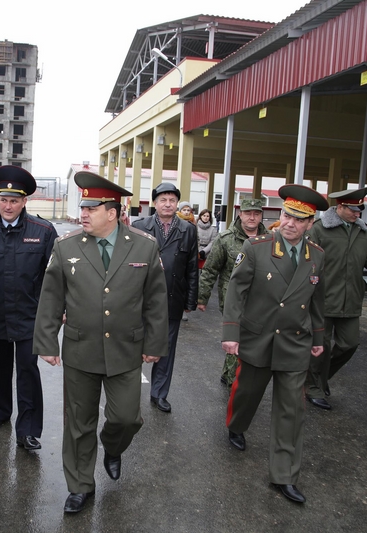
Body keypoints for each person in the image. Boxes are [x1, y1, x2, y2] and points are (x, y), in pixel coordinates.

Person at [34, 171, 169, 514]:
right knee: (79, 423)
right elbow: (51, 298)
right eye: (83, 207)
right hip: (81, 349)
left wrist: (155, 343)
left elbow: (155, 301)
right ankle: (80, 485)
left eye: (91, 208)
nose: (83, 214)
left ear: (112, 212)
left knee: (126, 418)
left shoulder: (144, 245)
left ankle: (112, 447)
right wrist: (47, 341)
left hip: (127, 349)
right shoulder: (66, 246)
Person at [222, 184, 328, 504]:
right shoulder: (257, 247)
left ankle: (284, 475)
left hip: (295, 342)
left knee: (291, 411)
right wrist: (231, 333)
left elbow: (317, 300)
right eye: (287, 215)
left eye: (299, 219)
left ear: (310, 223)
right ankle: (236, 426)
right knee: (247, 394)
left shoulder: (317, 256)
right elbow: (236, 290)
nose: (291, 223)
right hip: (258, 337)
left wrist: (318, 338)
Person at [0, 166, 56, 450]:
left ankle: (28, 429)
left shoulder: (43, 231)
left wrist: (56, 311)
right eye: (4, 199)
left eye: (15, 200)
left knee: (28, 373)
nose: (9, 206)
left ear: (24, 202)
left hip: (29, 316)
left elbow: (55, 276)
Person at [304, 187, 367, 410]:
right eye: (353, 209)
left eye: (360, 209)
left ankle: (321, 379)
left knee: (350, 344)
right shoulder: (320, 230)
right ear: (340, 207)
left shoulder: (363, 232)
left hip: (351, 299)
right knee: (320, 347)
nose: (357, 213)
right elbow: (307, 261)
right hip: (323, 299)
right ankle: (313, 388)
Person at [131, 183, 198, 412]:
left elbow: (192, 267)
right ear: (155, 203)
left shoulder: (188, 230)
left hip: (173, 297)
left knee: (166, 349)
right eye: (163, 200)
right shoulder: (140, 226)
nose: (167, 204)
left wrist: (191, 300)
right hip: (142, 298)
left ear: (177, 203)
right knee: (135, 344)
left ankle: (159, 394)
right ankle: (128, 392)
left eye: (172, 200)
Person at [197, 199, 267, 387]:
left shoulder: (270, 239)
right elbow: (210, 269)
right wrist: (202, 297)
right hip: (231, 298)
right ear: (240, 214)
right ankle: (234, 378)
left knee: (251, 337)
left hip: (261, 299)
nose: (252, 217)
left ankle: (231, 372)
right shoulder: (226, 238)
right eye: (248, 213)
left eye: (256, 213)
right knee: (238, 334)